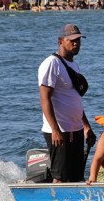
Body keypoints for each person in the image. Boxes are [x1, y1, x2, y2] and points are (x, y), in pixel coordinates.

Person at [38, 24, 96, 183]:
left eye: (78, 40)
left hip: (75, 129)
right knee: (60, 177)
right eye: (72, 40)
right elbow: (45, 98)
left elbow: (75, 99)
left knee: (76, 177)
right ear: (60, 41)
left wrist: (86, 126)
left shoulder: (74, 65)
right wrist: (55, 130)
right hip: (59, 131)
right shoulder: (52, 63)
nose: (76, 43)